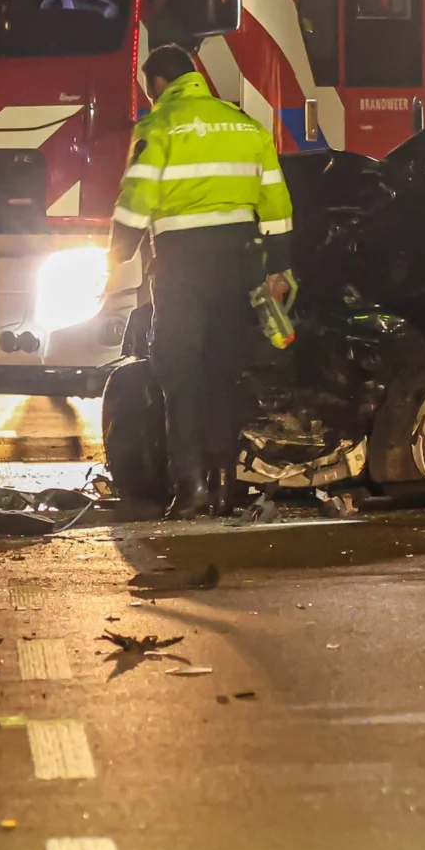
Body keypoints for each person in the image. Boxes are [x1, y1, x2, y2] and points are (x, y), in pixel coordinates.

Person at [110, 45, 294, 518]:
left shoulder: (159, 126)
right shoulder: (244, 125)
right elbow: (276, 203)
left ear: (156, 86)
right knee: (222, 369)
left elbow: (137, 200)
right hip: (239, 260)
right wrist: (279, 268)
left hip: (181, 262)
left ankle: (190, 486)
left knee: (180, 371)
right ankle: (224, 484)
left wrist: (116, 254)